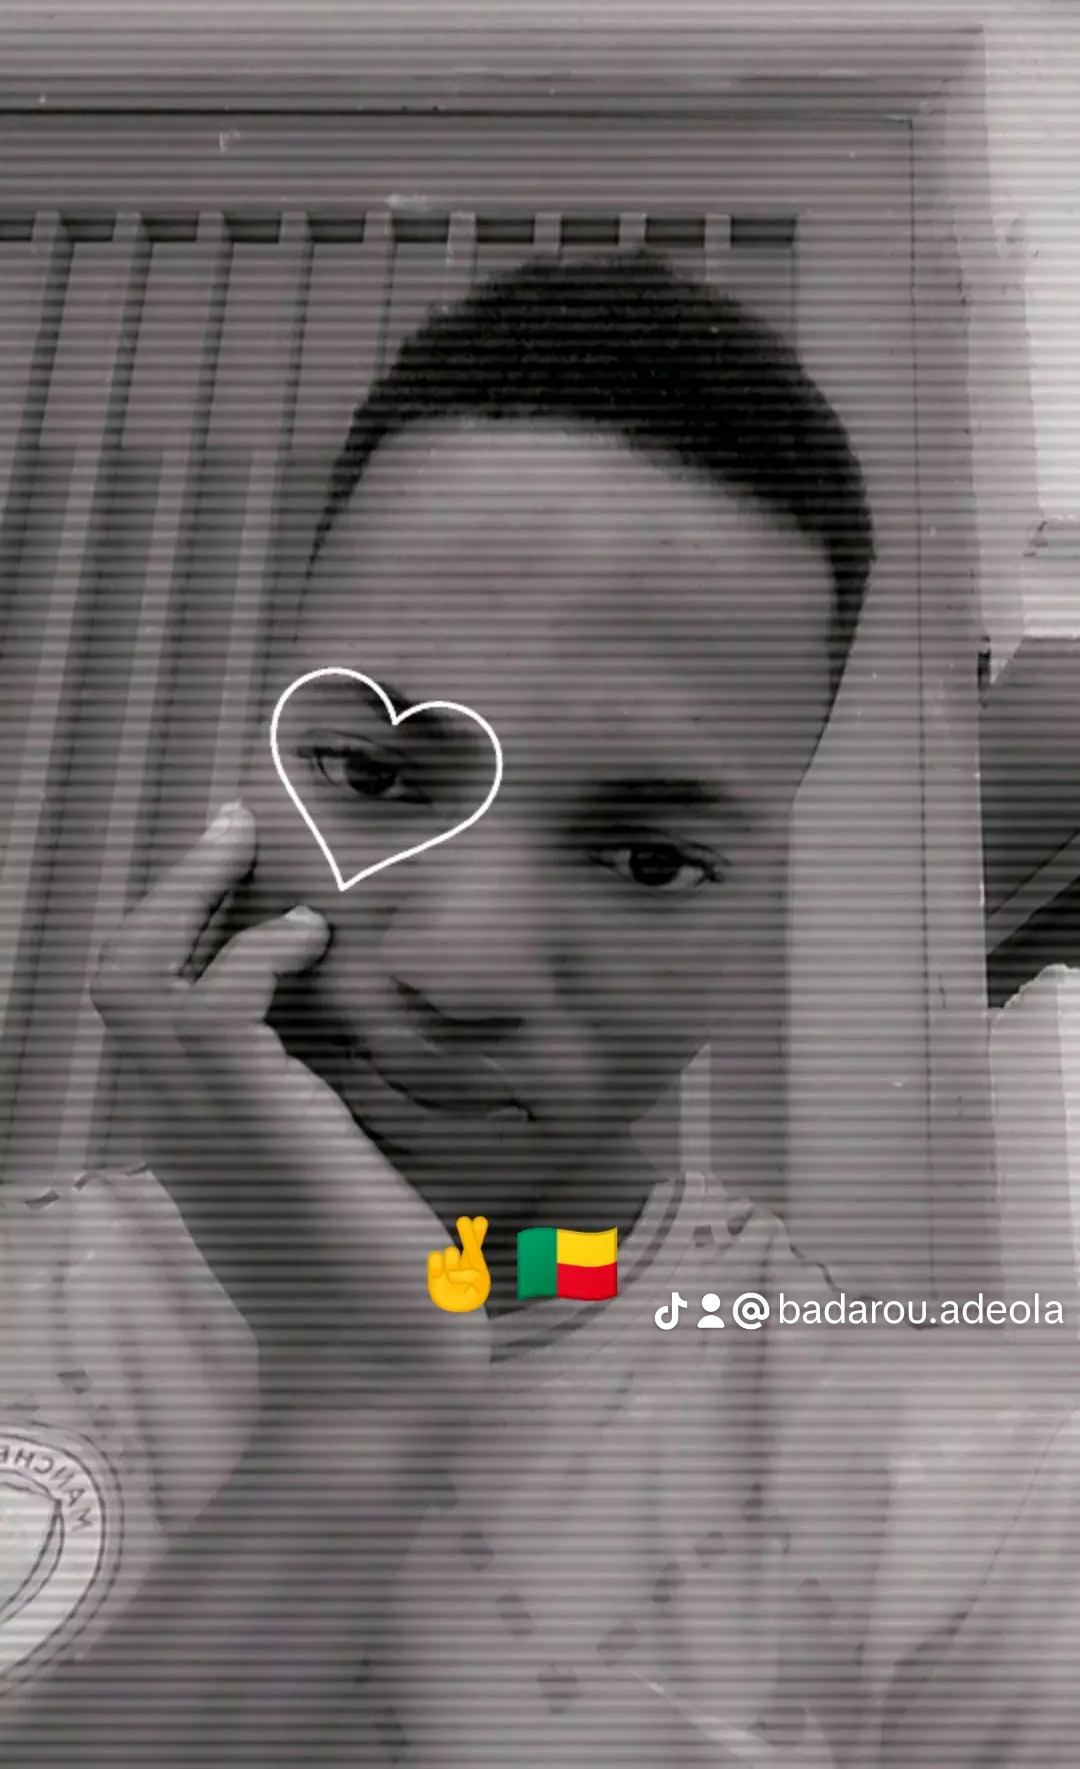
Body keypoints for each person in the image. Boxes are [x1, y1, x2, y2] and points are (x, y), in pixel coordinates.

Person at [1, 253, 1078, 1767]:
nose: (465, 974)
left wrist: (379, 1379)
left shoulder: (973, 1493)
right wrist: (356, 1415)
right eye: (375, 777)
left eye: (647, 859)